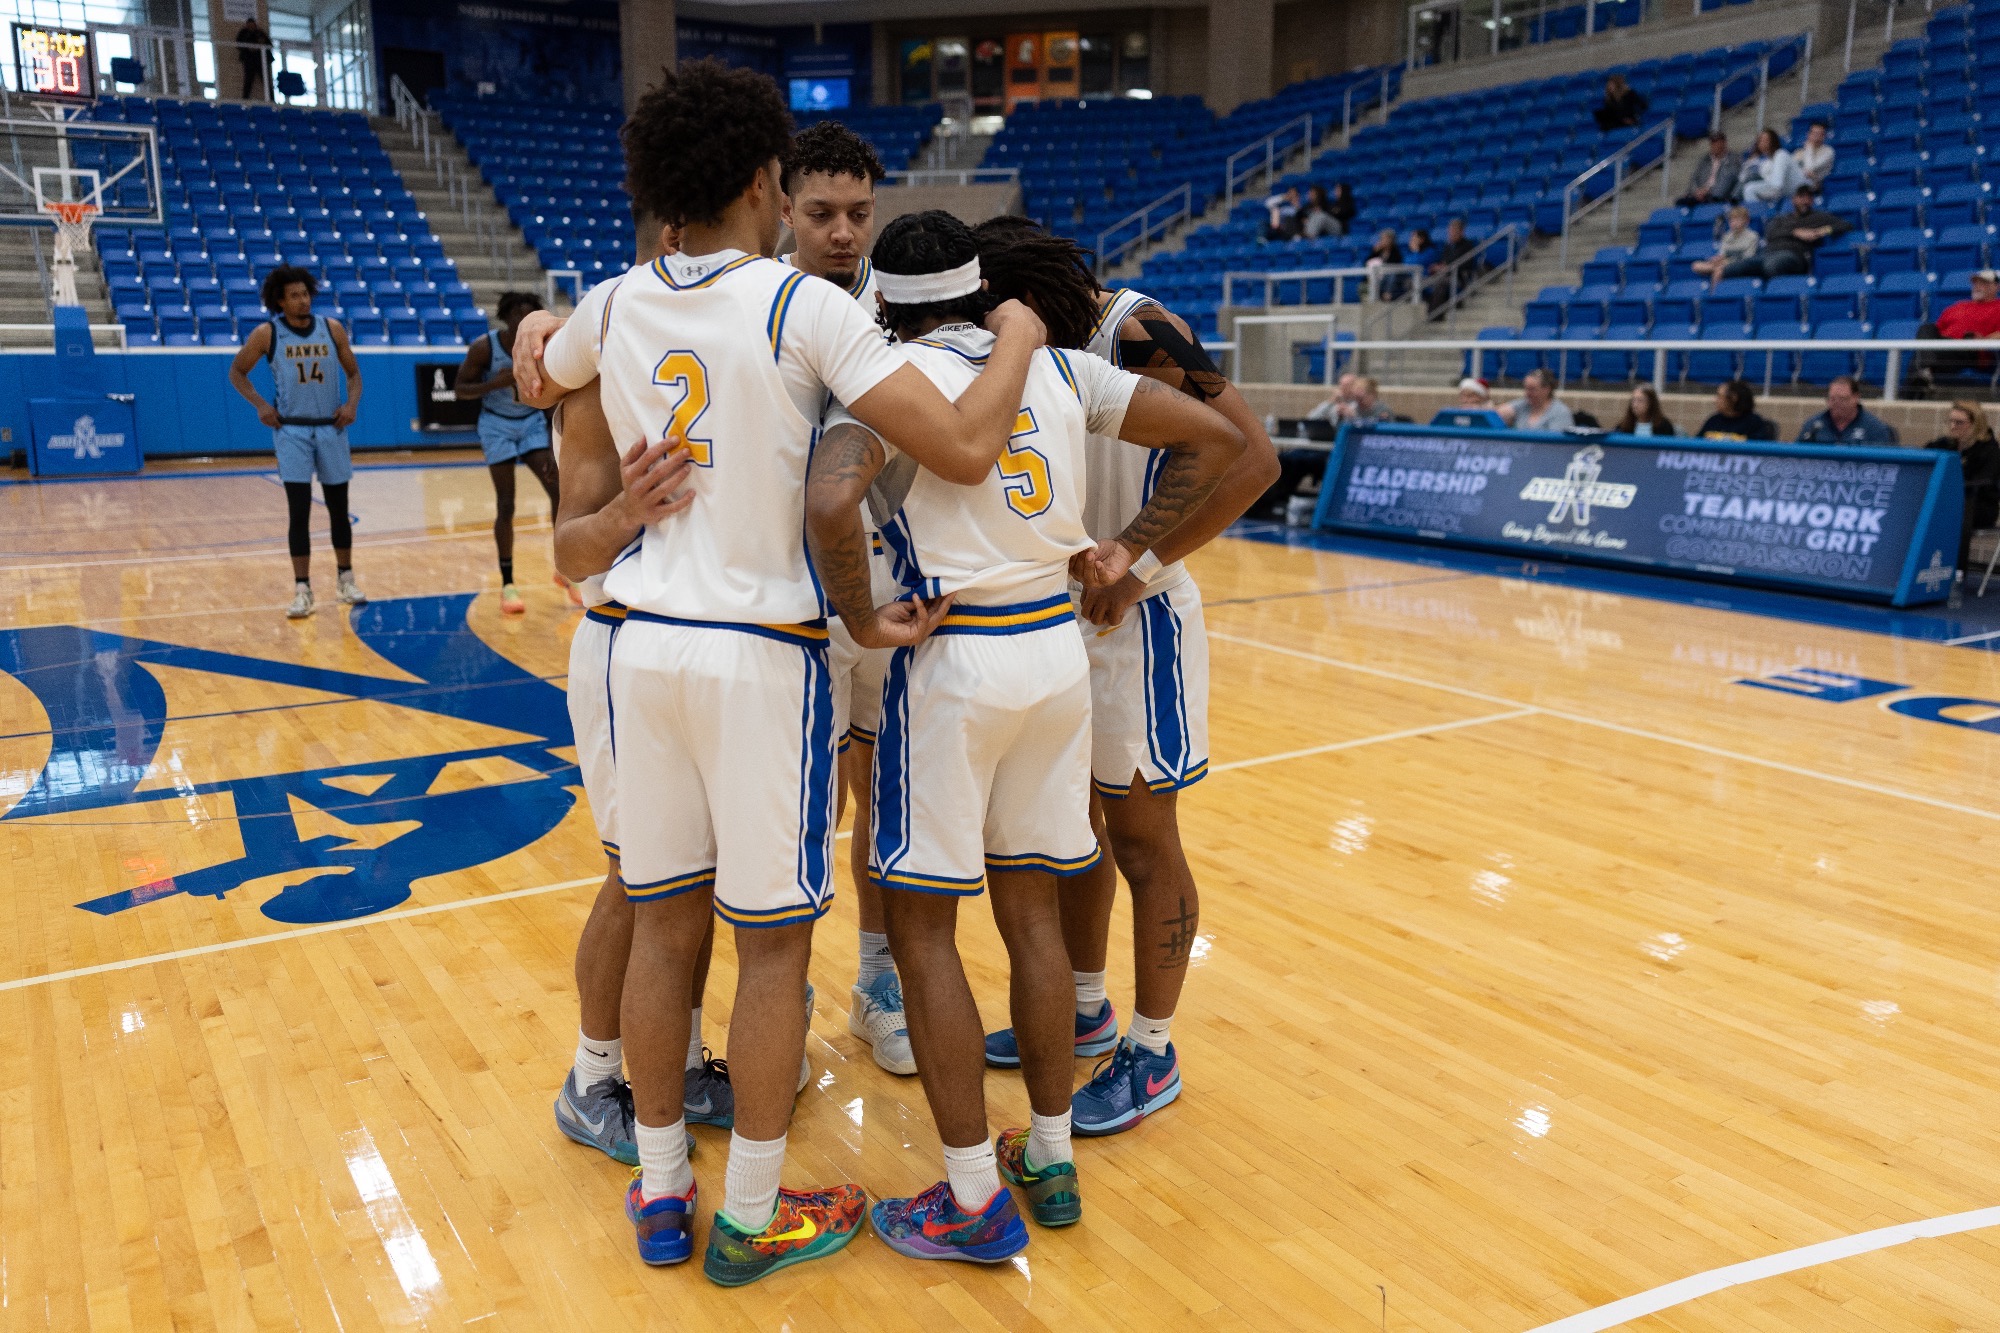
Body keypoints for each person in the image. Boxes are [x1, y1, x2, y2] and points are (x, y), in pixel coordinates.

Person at [533, 58, 1048, 1282]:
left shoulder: (605, 306)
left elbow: (543, 385)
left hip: (635, 646)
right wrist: (1020, 335)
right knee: (769, 947)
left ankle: (662, 1196)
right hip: (760, 658)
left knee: (665, 935)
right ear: (766, 180)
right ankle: (756, 1217)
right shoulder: (802, 309)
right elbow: (968, 449)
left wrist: (532, 333)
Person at [807, 209, 1243, 1263]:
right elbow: (1218, 439)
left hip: (951, 664)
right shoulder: (1056, 367)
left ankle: (965, 1195)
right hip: (1055, 654)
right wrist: (1126, 548)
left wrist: (863, 613)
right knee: (1035, 919)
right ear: (977, 286)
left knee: (921, 931)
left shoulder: (889, 385)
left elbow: (828, 499)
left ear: (887, 304)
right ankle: (1046, 1152)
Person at [972, 217, 1280, 1137]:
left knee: (1145, 843)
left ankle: (1153, 1048)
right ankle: (1086, 1004)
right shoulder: (1030, 351)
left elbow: (1252, 459)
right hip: (1063, 618)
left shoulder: (1138, 332)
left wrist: (1135, 565)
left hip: (1137, 618)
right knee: (1073, 837)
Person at [538, 210, 735, 1184]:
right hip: (623, 643)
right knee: (639, 880)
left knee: (690, 881)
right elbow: (568, 552)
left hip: (703, 647)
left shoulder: (742, 348)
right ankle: (590, 1076)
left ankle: (686, 1057)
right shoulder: (594, 380)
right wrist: (627, 509)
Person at [775, 119, 917, 1081]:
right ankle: (781, 1007)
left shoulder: (906, 305)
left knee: (885, 802)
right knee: (794, 813)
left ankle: (878, 986)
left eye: (859, 212)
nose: (842, 231)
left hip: (894, 589)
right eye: (821, 212)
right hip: (791, 598)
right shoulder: (755, 305)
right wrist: (538, 326)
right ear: (781, 206)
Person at [229, 265, 364, 618]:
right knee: (299, 512)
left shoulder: (331, 329)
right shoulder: (267, 334)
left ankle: (345, 579)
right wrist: (260, 405)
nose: (303, 300)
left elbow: (353, 374)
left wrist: (351, 405)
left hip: (331, 428)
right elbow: (237, 372)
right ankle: (302, 589)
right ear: (280, 300)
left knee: (339, 510)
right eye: (295, 295)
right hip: (292, 431)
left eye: (306, 294)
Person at [453, 291, 559, 616]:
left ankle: (566, 567)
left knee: (559, 491)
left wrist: (556, 443)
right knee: (506, 503)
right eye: (518, 314)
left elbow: (554, 395)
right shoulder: (485, 347)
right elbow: (459, 391)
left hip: (529, 422)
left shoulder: (543, 345)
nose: (524, 320)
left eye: (531, 315)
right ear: (507, 316)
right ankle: (508, 582)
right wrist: (493, 385)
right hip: (496, 424)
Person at [1924, 401, 2000, 567]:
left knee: (1947, 513)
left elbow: (1985, 481)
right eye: (1950, 421)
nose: (1952, 426)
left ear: (1975, 424)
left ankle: (1954, 570)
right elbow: (1924, 460)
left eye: (1959, 422)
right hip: (1945, 502)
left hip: (1978, 506)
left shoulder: (1990, 450)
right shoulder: (1944, 444)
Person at [1725, 186, 1849, 280]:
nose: (1805, 201)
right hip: (1768, 253)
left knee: (1771, 266)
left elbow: (1845, 225)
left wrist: (1823, 230)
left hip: (1794, 256)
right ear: (1794, 199)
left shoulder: (1819, 217)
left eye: (1809, 197)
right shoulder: (1782, 218)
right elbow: (1770, 233)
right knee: (1732, 269)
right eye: (1802, 197)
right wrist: (1795, 232)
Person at [1918, 269, 2000, 385]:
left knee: (1918, 361)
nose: (1977, 287)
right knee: (1926, 328)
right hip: (1945, 350)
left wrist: (1984, 340)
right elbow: (1936, 330)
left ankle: (1921, 375)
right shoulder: (1958, 306)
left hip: (1972, 350)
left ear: (1996, 287)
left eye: (1984, 284)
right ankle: (1925, 370)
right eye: (1975, 283)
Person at [1796, 375, 1899, 445]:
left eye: (1843, 399)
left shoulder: (1875, 429)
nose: (1837, 403)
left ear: (1856, 398)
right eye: (1832, 399)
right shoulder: (1813, 426)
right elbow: (1797, 455)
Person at [1737, 129, 1808, 206]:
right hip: (1782, 193)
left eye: (1766, 140)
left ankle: (1760, 213)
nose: (1762, 143)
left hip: (1798, 192)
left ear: (1773, 141)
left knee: (1749, 189)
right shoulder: (1766, 163)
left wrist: (1760, 195)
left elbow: (1776, 188)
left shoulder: (1781, 155)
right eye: (1760, 140)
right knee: (1749, 187)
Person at [1692, 206, 1759, 285]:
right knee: (1696, 265)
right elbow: (1722, 254)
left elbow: (1748, 258)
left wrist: (1727, 262)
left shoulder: (1752, 236)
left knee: (1718, 271)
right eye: (1731, 220)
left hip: (1741, 265)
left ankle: (1714, 295)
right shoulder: (1727, 236)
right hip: (1724, 264)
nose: (1734, 223)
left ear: (1746, 221)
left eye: (1737, 220)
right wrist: (1717, 259)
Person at [1697, 379, 1778, 440]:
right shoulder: (1713, 421)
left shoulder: (1754, 423)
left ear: (1734, 398)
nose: (1715, 400)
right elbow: (1697, 443)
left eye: (1719, 396)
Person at [1426, 216, 1478, 313]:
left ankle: (1435, 314)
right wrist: (1438, 267)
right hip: (1444, 275)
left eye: (1454, 231)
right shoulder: (1448, 246)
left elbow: (1466, 264)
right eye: (1450, 231)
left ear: (1461, 232)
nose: (1451, 233)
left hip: (1459, 278)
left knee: (1441, 282)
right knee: (1422, 282)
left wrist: (1447, 268)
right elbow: (1444, 261)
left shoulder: (1468, 245)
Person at [1498, 368, 1575, 432]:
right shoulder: (1523, 404)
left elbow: (1558, 444)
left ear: (1546, 389)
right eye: (1526, 389)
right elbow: (1496, 414)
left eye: (1532, 389)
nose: (1527, 394)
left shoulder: (1560, 412)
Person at [1677, 132, 1740, 208]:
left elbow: (1728, 180)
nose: (1715, 146)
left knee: (1713, 199)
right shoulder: (1704, 161)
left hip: (1718, 195)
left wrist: (1708, 191)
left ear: (1724, 143)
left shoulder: (1733, 159)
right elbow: (1694, 178)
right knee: (1681, 202)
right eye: (1713, 143)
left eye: (1717, 143)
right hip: (1700, 194)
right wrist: (1696, 192)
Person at [236, 17, 270, 101]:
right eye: (249, 25)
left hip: (260, 60)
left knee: (265, 80)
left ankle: (271, 99)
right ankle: (245, 100)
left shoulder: (260, 33)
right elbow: (239, 44)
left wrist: (260, 44)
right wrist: (248, 48)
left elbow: (269, 44)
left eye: (252, 25)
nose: (251, 26)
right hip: (249, 60)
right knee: (248, 80)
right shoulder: (243, 33)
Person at [1794, 120, 1835, 189]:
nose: (1816, 136)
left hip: (1817, 186)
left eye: (1820, 134)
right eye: (1814, 133)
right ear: (1808, 134)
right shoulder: (1799, 152)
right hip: (1798, 183)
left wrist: (1809, 147)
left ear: (1824, 136)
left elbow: (1810, 167)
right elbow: (1792, 169)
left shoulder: (1828, 151)